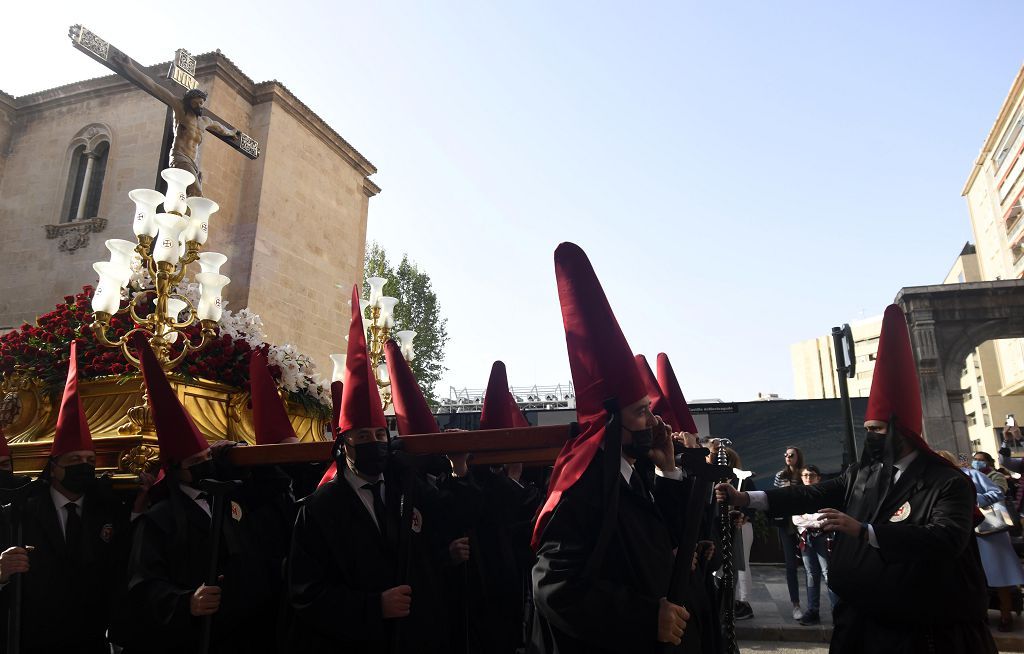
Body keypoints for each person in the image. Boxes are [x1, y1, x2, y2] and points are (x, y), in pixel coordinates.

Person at [716, 304, 997, 654]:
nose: (872, 439)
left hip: (920, 637)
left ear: (905, 433)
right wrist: (748, 499)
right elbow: (812, 494)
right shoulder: (863, 475)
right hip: (859, 628)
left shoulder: (947, 483)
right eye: (868, 431)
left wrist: (864, 531)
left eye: (878, 430)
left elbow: (945, 539)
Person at [530, 242, 690, 653]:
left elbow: (662, 540)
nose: (653, 423)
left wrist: (669, 472)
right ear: (610, 420)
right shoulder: (583, 486)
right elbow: (554, 587)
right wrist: (644, 615)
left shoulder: (631, 473)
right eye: (640, 413)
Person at [288, 286, 453, 653]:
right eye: (364, 435)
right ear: (344, 442)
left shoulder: (403, 487)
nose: (375, 442)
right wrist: (373, 606)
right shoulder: (318, 510)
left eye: (381, 433)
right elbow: (306, 593)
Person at [125, 337, 276, 654]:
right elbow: (143, 585)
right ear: (176, 469)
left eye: (208, 457)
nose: (206, 465)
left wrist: (242, 456)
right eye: (196, 463)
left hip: (242, 634)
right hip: (191, 637)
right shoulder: (159, 519)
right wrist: (185, 602)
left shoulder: (232, 497)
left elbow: (273, 495)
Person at [0, 341, 132, 654]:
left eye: (90, 461)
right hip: (30, 638)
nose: (84, 468)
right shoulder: (21, 507)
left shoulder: (109, 506)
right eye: (74, 461)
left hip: (89, 638)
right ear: (54, 467)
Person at [957, 451, 1024, 632]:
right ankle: (982, 614)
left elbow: (997, 493)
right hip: (966, 534)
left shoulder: (974, 475)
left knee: (999, 575)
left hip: (990, 530)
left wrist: (973, 499)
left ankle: (1006, 614)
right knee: (976, 577)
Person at [790, 464, 835, 626]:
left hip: (823, 538)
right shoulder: (799, 495)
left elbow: (825, 517)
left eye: (812, 475)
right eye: (805, 475)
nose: (808, 477)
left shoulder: (824, 494)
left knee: (828, 573)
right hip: (805, 538)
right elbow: (796, 519)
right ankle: (812, 611)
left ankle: (836, 610)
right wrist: (814, 521)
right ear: (801, 478)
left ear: (818, 477)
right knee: (811, 574)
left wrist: (810, 521)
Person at [772, 444, 805, 620]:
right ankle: (796, 604)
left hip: (805, 524)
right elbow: (776, 500)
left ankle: (813, 605)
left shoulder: (804, 474)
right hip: (787, 525)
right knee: (791, 566)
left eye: (791, 455)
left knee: (810, 567)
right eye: (785, 455)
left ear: (798, 457)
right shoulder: (780, 476)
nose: (788, 457)